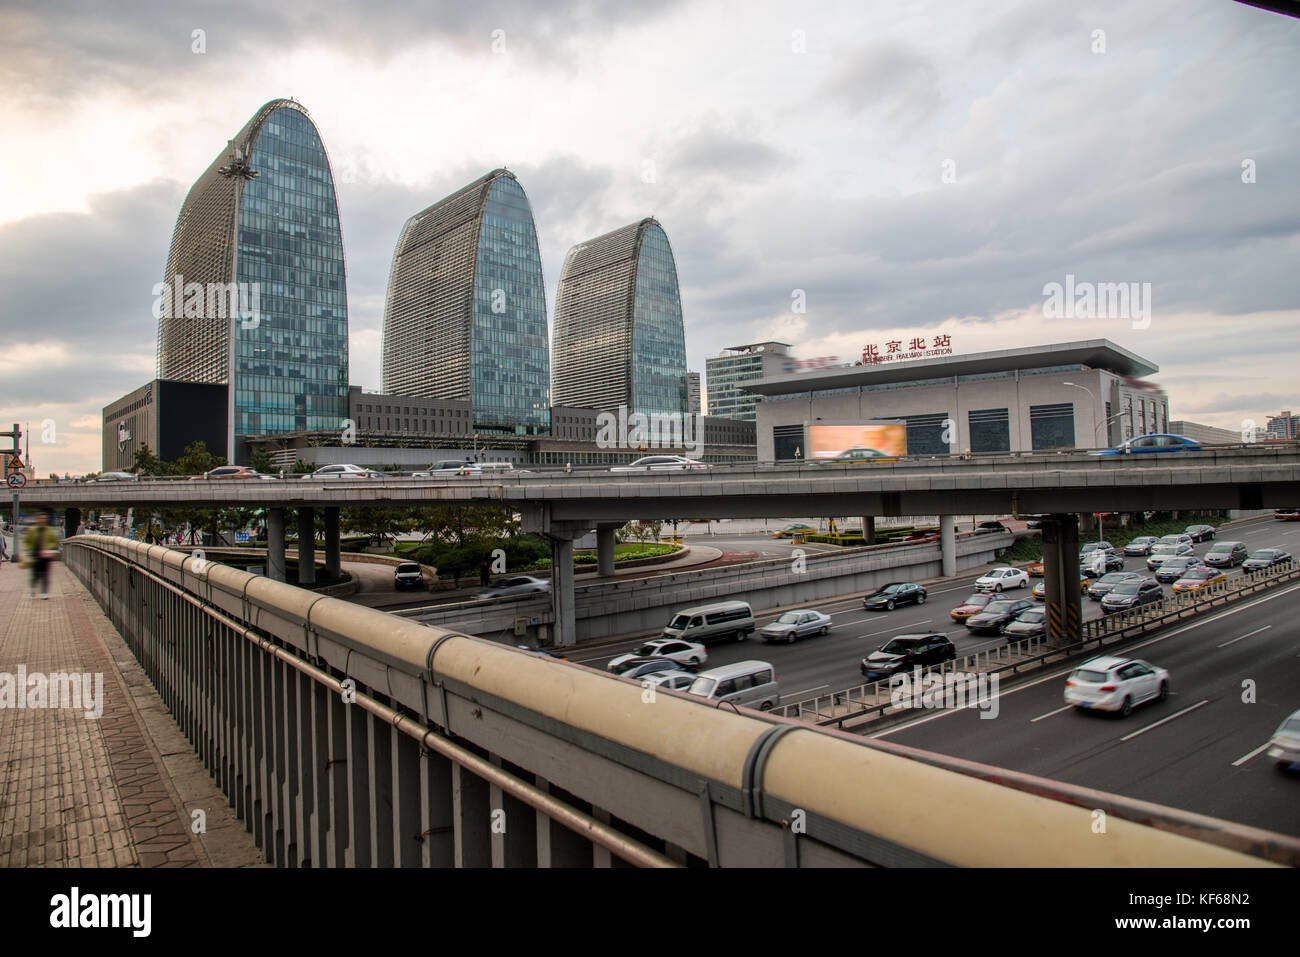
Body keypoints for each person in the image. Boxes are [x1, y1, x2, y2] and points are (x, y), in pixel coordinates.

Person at [23, 513, 59, 599]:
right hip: (34, 555)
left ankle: (44, 592)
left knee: (45, 574)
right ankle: (33, 586)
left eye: (44, 519)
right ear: (37, 520)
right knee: (35, 574)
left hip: (46, 555)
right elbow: (27, 541)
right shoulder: (32, 530)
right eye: (40, 519)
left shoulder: (49, 530)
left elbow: (55, 541)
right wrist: (28, 549)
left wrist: (49, 547)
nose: (42, 520)